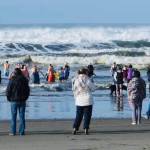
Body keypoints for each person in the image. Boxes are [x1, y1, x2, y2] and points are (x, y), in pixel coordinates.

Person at [6, 68, 30, 136]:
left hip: (14, 100)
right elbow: (28, 90)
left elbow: (8, 90)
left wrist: (8, 98)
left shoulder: (12, 80)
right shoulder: (24, 80)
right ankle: (21, 132)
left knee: (13, 116)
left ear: (15, 73)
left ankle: (13, 132)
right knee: (22, 116)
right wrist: (26, 97)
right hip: (22, 100)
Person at [72, 68, 95, 135]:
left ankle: (75, 128)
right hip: (88, 99)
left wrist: (75, 98)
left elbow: (74, 90)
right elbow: (93, 88)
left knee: (78, 115)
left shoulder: (75, 80)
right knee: (87, 115)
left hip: (79, 100)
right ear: (85, 72)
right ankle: (86, 128)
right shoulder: (88, 79)